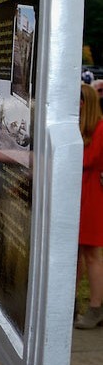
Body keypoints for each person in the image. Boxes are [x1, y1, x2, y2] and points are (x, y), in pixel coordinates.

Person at [75, 83, 103, 330]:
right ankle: (70, 304)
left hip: (92, 196)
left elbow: (89, 159)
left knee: (91, 254)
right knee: (73, 256)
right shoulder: (77, 127)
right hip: (76, 196)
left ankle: (95, 307)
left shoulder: (99, 128)